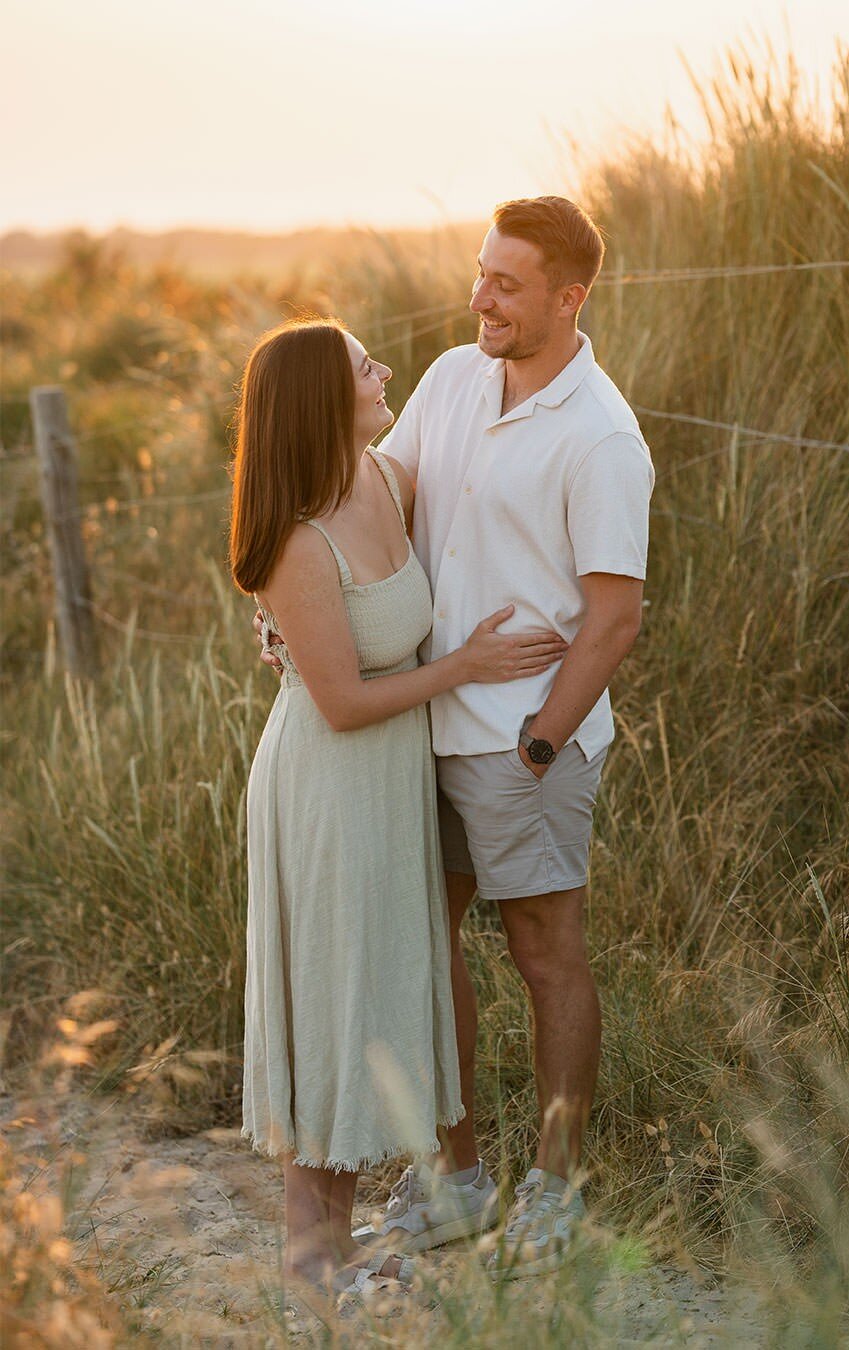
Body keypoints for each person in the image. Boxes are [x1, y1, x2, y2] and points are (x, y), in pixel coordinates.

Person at [230, 317, 568, 1297]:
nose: (383, 371)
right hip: (326, 791)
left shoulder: (383, 478)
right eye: (361, 367)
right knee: (331, 1003)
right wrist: (464, 667)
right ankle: (308, 1258)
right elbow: (337, 700)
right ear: (318, 405)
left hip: (387, 788)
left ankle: (335, 1246)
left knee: (370, 994)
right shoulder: (298, 541)